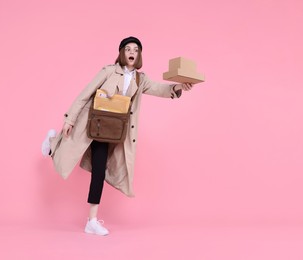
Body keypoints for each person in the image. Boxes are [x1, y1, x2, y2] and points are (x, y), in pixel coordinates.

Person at [41, 36, 194, 236]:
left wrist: (179, 87)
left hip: (114, 130)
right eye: (128, 49)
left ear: (139, 55)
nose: (132, 52)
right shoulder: (108, 71)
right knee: (75, 149)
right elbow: (85, 94)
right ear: (122, 52)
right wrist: (69, 119)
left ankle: (90, 220)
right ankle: (54, 145)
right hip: (93, 122)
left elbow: (160, 89)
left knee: (99, 170)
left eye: (136, 49)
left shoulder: (141, 79)